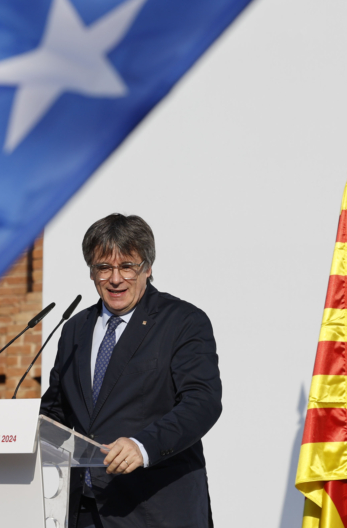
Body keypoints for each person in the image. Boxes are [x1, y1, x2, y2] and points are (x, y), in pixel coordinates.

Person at [40, 214, 222, 528]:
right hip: (82, 512)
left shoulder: (182, 322)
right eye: (104, 267)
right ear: (92, 272)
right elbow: (56, 411)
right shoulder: (75, 329)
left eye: (127, 266)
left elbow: (201, 403)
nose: (115, 279)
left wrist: (142, 446)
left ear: (148, 268)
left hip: (154, 511)